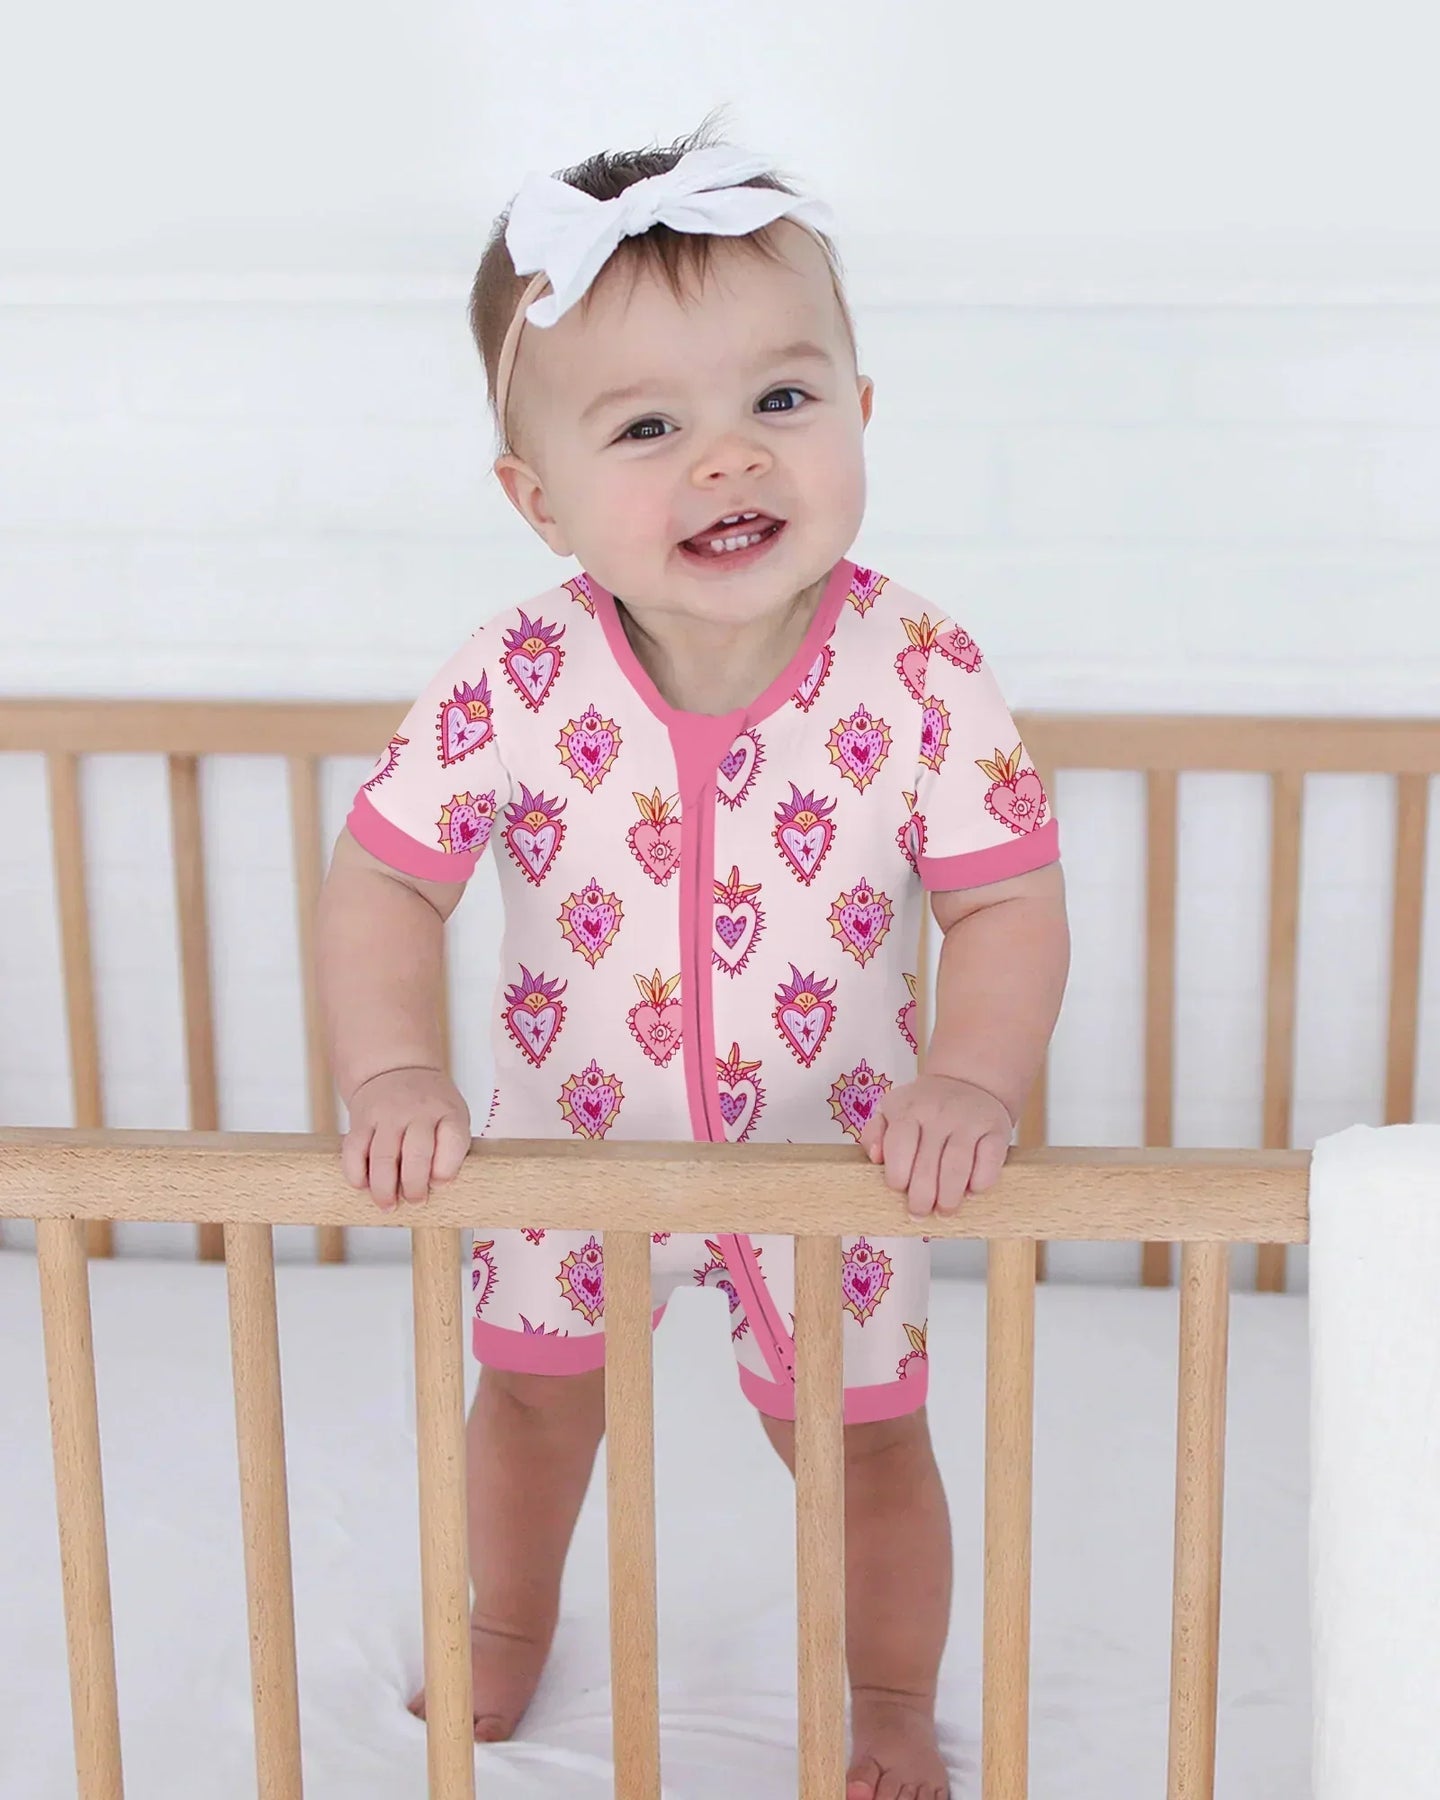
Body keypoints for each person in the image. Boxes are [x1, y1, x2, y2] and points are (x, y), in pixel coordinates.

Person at [316, 114, 1070, 1800]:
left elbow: (1010, 904)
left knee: (866, 1445)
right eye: (650, 426)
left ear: (860, 409)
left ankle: (891, 1697)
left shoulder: (920, 669)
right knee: (529, 1409)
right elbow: (382, 882)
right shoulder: (514, 678)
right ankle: (505, 1625)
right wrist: (395, 1068)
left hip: (843, 1156)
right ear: (539, 499)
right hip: (565, 1144)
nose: (729, 460)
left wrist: (970, 1077)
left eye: (780, 401)